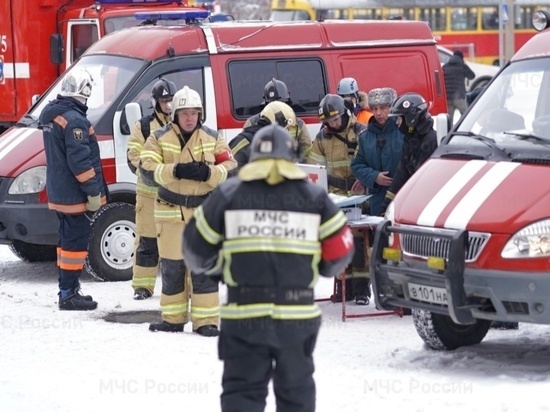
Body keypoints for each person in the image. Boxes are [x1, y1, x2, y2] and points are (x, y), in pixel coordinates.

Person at [182, 124, 354, 412]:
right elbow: (342, 248)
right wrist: (323, 267)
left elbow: (194, 246)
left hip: (245, 317)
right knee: (296, 396)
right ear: (291, 157)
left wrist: (220, 269)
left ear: (253, 157)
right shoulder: (313, 197)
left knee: (243, 396)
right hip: (296, 318)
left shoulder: (229, 194)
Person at [140, 86, 237, 336]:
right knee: (173, 268)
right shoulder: (158, 137)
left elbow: (232, 167)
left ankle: (206, 322)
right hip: (170, 213)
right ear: (175, 115)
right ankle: (172, 319)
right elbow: (147, 171)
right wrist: (176, 171)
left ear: (200, 114)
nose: (190, 118)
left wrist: (210, 173)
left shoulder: (213, 137)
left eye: (194, 113)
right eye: (185, 113)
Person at [39, 67, 107, 311]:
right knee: (74, 244)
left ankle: (68, 288)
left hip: (61, 192)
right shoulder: (75, 119)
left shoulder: (53, 115)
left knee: (65, 241)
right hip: (74, 195)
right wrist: (92, 191)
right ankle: (68, 294)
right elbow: (80, 162)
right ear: (85, 91)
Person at [307, 93, 370, 305]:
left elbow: (368, 161)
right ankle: (344, 288)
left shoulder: (361, 132)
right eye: (328, 121)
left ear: (344, 114)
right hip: (334, 194)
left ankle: (361, 290)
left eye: (335, 119)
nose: (332, 124)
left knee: (358, 241)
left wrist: (363, 179)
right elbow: (313, 165)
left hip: (357, 195)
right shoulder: (323, 137)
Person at [127, 78, 177, 300]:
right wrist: (154, 173)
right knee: (147, 243)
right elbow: (133, 157)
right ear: (156, 102)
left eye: (170, 100)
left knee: (174, 244)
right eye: (164, 101)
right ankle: (142, 287)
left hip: (174, 196)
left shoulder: (181, 124)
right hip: (148, 197)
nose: (167, 105)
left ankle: (175, 287)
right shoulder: (144, 126)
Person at [378, 92, 438, 216]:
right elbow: (401, 173)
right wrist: (385, 205)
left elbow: (421, 180)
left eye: (399, 118)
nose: (397, 123)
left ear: (411, 118)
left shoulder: (431, 141)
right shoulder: (410, 139)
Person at [351, 87, 402, 216]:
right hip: (377, 202)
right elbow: (357, 165)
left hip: (402, 197)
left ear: (392, 108)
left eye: (383, 108)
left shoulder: (404, 133)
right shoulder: (365, 137)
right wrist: (374, 177)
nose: (378, 113)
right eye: (374, 108)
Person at [243, 78, 312, 161]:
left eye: (280, 104)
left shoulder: (298, 124)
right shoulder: (252, 123)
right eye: (272, 105)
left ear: (287, 103)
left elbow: (307, 151)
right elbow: (244, 152)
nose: (277, 108)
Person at [229, 100, 299, 170]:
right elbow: (229, 171)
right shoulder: (243, 143)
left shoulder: (274, 145)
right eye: (286, 129)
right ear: (277, 122)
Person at [442, 50, 475, 121]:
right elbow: (472, 76)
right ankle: (462, 128)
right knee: (466, 116)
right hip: (459, 97)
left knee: (449, 120)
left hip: (448, 97)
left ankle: (450, 131)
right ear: (461, 58)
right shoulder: (462, 66)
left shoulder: (445, 66)